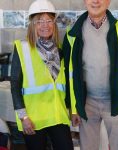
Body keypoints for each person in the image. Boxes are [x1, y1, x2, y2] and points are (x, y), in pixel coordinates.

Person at [63, 0, 118, 150]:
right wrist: (73, 107)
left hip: (117, 102)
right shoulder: (72, 33)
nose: (95, 1)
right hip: (87, 103)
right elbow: (69, 74)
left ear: (108, 2)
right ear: (85, 1)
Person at [10, 0, 74, 150]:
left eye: (49, 21)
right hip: (33, 119)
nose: (45, 25)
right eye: (40, 21)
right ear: (33, 25)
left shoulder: (59, 50)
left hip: (57, 116)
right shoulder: (23, 48)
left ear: (54, 23)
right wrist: (23, 117)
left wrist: (73, 110)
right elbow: (15, 85)